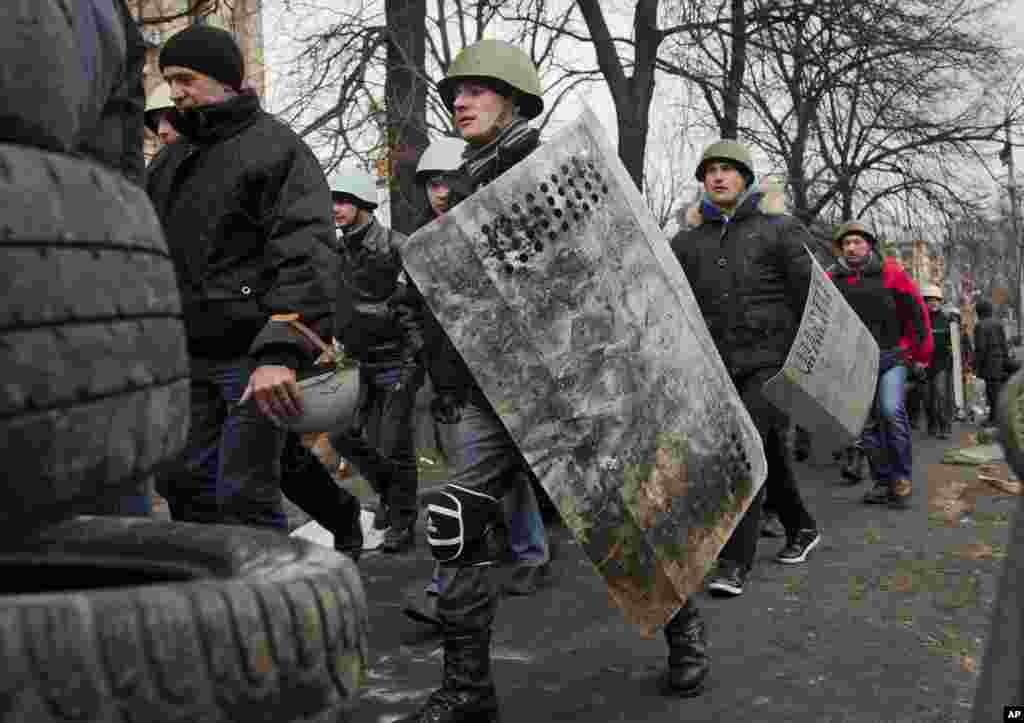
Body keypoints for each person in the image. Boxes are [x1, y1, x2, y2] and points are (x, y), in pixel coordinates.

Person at [398, 40, 708, 723]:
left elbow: (606, 274)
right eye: (456, 92)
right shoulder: (463, 190)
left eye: (477, 89)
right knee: (456, 528)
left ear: (512, 99)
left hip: (578, 387)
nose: (460, 100)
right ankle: (468, 689)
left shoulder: (558, 171)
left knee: (633, 515)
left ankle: (685, 630)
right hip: (488, 389)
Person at [146, 24, 336, 529]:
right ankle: (216, 606)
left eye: (186, 78)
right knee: (184, 487)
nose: (175, 91)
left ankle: (278, 607)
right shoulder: (167, 163)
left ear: (226, 80)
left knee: (243, 494)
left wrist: (280, 352)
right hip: (185, 362)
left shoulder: (278, 150)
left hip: (252, 362)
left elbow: (307, 252)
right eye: (169, 79)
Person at [402, 136, 553, 631]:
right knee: (477, 486)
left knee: (501, 478)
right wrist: (439, 378)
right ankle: (453, 591)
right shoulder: (420, 245)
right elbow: (424, 318)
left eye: (446, 181)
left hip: (515, 379)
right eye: (430, 184)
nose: (438, 192)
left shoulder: (496, 231)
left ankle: (517, 559)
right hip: (463, 386)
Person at [671, 140, 821, 599]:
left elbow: (810, 296)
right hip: (718, 364)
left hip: (770, 362)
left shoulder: (778, 229)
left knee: (743, 453)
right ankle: (801, 527)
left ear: (747, 178)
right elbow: (677, 301)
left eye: (728, 170)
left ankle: (734, 562)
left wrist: (804, 363)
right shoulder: (687, 241)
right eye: (710, 171)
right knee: (767, 452)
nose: (718, 177)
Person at [323, 168, 425, 553]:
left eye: (344, 200)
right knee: (341, 435)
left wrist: (415, 359)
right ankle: (391, 496)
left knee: (394, 443)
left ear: (364, 203)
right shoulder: (337, 251)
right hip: (359, 362)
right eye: (333, 201)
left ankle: (402, 520)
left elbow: (416, 308)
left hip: (401, 358)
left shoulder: (397, 246)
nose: (337, 208)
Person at [828, 221, 932, 508]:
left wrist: (920, 353)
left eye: (857, 242)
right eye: (846, 243)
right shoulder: (831, 278)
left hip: (891, 356)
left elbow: (916, 312)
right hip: (855, 363)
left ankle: (901, 478)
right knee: (867, 425)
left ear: (869, 245)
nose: (851, 247)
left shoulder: (892, 273)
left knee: (890, 410)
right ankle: (882, 480)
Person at [920, 284, 954, 439]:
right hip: (924, 364)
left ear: (940, 301)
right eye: (929, 300)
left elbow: (955, 343)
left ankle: (945, 426)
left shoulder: (947, 319)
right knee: (927, 399)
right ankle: (931, 424)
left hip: (941, 363)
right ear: (923, 302)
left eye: (936, 300)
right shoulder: (919, 320)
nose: (933, 303)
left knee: (941, 394)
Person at [974, 299, 1010, 426]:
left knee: (992, 393)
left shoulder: (980, 326)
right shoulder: (998, 323)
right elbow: (1004, 344)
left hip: (988, 363)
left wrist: (976, 366)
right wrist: (1006, 360)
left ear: (979, 311)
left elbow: (980, 348)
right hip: (1000, 361)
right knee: (997, 392)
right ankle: (995, 418)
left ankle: (994, 420)